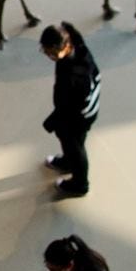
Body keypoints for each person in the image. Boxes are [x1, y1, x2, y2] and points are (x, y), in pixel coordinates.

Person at [40, 22, 100, 197]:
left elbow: (71, 108)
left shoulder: (75, 76)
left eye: (50, 52)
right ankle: (67, 161)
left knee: (75, 146)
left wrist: (52, 122)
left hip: (80, 116)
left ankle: (79, 184)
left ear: (63, 46)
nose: (49, 56)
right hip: (77, 109)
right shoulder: (76, 46)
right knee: (68, 141)